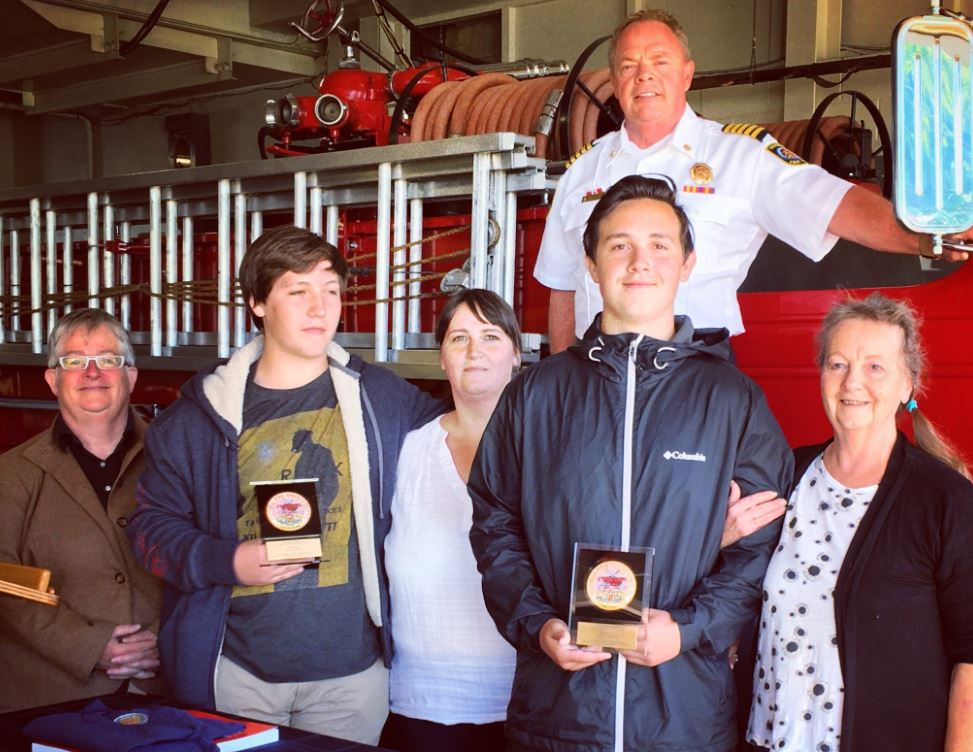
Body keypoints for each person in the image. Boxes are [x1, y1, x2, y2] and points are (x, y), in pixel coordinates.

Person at [469, 174, 793, 752]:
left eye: (659, 245)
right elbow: (495, 527)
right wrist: (539, 624)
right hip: (558, 720)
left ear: (687, 264)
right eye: (619, 245)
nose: (640, 261)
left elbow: (759, 547)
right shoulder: (534, 395)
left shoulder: (733, 400)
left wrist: (688, 629)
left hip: (682, 721)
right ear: (591, 266)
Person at [127, 225, 442, 745]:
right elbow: (150, 530)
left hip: (351, 680)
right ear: (257, 303)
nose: (320, 308)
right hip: (237, 674)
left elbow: (457, 440)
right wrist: (228, 560)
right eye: (298, 291)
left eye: (331, 291)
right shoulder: (196, 419)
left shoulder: (380, 397)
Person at [534, 9, 971, 354]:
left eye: (660, 62)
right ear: (614, 82)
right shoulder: (581, 173)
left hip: (697, 381)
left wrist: (927, 234)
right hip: (597, 374)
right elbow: (563, 288)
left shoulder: (740, 157)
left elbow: (835, 206)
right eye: (629, 65)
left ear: (686, 74)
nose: (643, 75)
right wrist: (562, 382)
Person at [747, 293, 973, 752]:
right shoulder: (786, 475)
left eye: (875, 367)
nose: (852, 382)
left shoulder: (946, 499)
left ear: (908, 384)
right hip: (772, 740)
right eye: (838, 364)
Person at [0, 308, 163, 711]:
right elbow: (4, 580)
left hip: (166, 688)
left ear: (131, 376)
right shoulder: (11, 473)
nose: (92, 373)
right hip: (50, 699)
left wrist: (166, 638)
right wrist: (89, 645)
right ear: (53, 379)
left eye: (108, 359)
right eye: (74, 362)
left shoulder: (178, 459)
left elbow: (208, 558)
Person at [380, 289, 521, 752]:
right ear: (442, 357)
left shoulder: (549, 451)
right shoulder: (407, 450)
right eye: (459, 338)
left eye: (491, 336)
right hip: (421, 702)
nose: (474, 350)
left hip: (527, 701)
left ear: (517, 354)